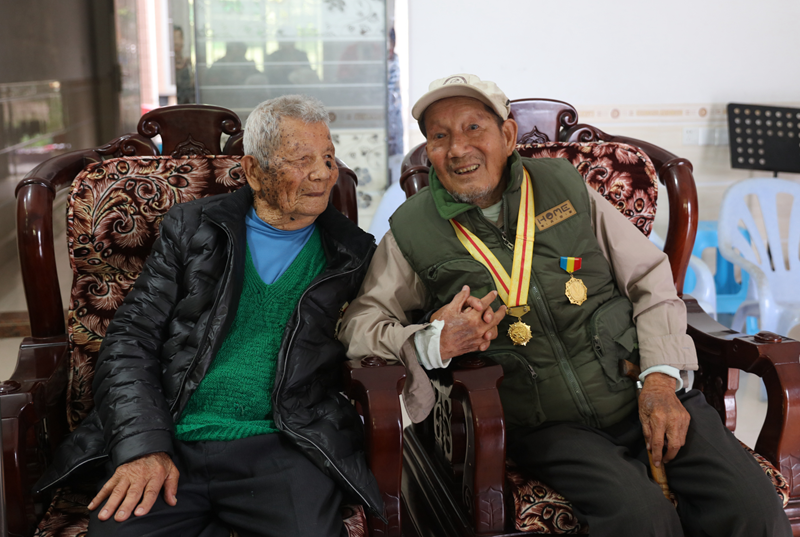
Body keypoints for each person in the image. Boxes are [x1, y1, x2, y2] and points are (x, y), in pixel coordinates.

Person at [339, 74, 791, 537]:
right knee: (641, 518)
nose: (457, 149)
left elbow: (649, 275)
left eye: (474, 128)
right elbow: (359, 325)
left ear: (508, 135)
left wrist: (659, 378)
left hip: (639, 383)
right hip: (548, 424)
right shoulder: (413, 230)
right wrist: (432, 342)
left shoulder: (565, 187)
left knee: (752, 507)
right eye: (439, 136)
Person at [34, 95, 382, 537]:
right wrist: (143, 446)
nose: (322, 173)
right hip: (172, 435)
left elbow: (384, 321)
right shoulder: (191, 229)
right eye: (301, 159)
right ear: (254, 171)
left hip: (283, 444)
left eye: (329, 158)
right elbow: (129, 340)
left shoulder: (351, 253)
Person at [173, 25, 195, 104]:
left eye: (178, 38)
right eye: (174, 38)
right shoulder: (168, 65)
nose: (177, 42)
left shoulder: (187, 62)